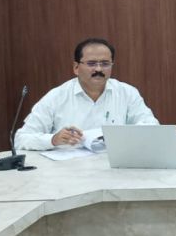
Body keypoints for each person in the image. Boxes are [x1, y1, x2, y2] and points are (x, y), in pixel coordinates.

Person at [13, 38, 157, 151]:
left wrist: (123, 134)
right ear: (76, 67)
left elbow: (152, 127)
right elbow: (21, 139)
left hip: (115, 167)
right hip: (69, 171)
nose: (99, 69)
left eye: (105, 63)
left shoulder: (127, 93)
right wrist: (53, 140)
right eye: (91, 63)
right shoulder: (56, 97)